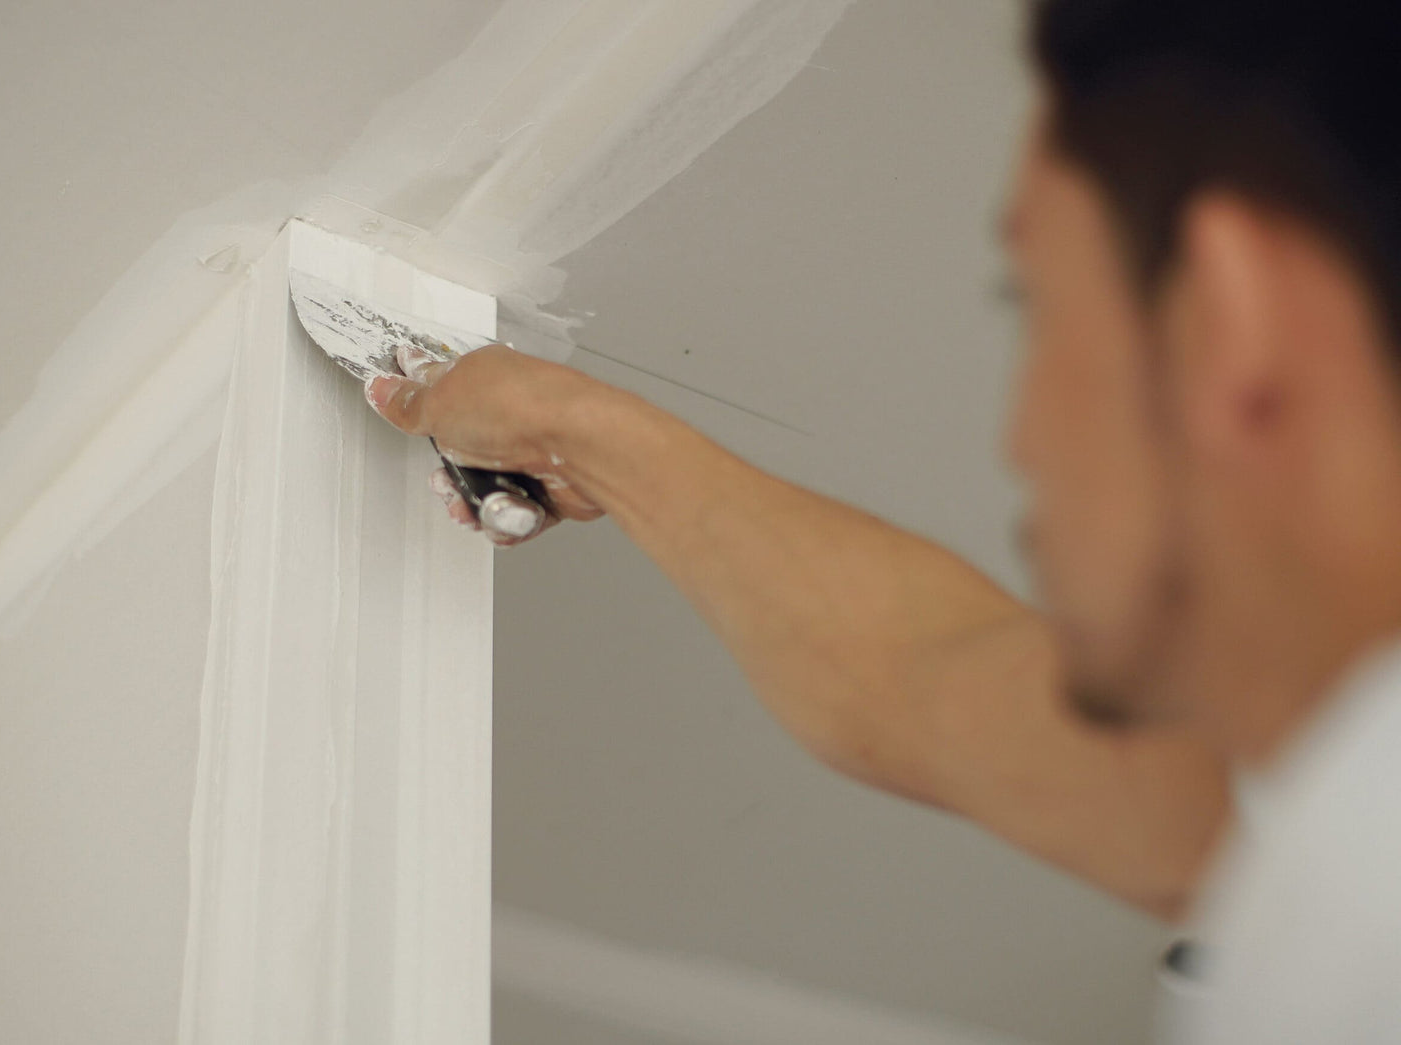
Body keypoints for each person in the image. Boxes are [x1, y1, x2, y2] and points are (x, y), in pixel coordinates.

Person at [362, 0, 1401, 1041]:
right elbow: (931, 683)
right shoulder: (1330, 799)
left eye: (1035, 303)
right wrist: (581, 436)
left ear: (1231, 327)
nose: (1020, 443)